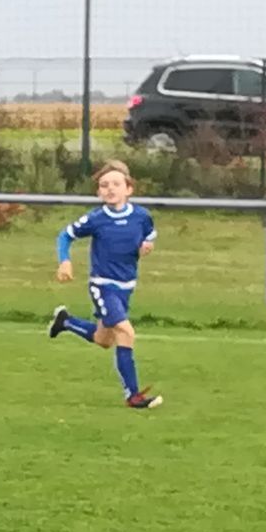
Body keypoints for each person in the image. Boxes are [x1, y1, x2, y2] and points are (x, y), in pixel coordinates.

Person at [48, 159, 162, 409]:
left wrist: (146, 247)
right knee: (126, 333)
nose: (110, 189)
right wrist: (65, 261)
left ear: (129, 189)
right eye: (104, 185)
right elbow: (65, 236)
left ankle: (66, 321)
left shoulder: (142, 216)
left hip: (126, 286)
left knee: (104, 339)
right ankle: (133, 396)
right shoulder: (96, 219)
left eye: (116, 184)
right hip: (103, 285)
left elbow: (148, 237)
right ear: (99, 192)